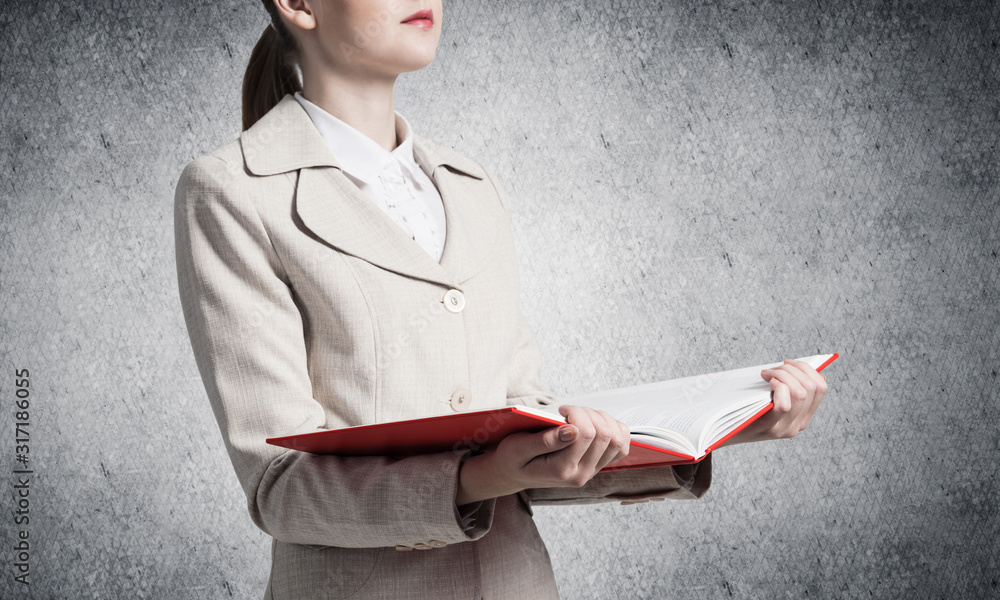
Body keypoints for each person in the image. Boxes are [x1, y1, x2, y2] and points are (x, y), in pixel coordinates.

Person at [173, 1, 829, 598]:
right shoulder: (231, 192)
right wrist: (477, 478)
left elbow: (534, 445)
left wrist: (708, 433)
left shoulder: (472, 185)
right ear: (299, 5)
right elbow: (279, 486)